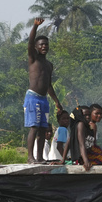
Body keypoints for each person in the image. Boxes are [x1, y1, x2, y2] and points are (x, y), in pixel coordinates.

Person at [25, 17, 63, 163]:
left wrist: (57, 102)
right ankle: (30, 157)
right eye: (41, 45)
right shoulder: (33, 58)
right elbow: (30, 41)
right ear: (36, 47)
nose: (44, 47)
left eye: (46, 45)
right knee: (34, 127)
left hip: (43, 99)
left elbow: (49, 85)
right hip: (33, 97)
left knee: (43, 129)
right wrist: (35, 26)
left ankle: (40, 157)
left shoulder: (49, 64)